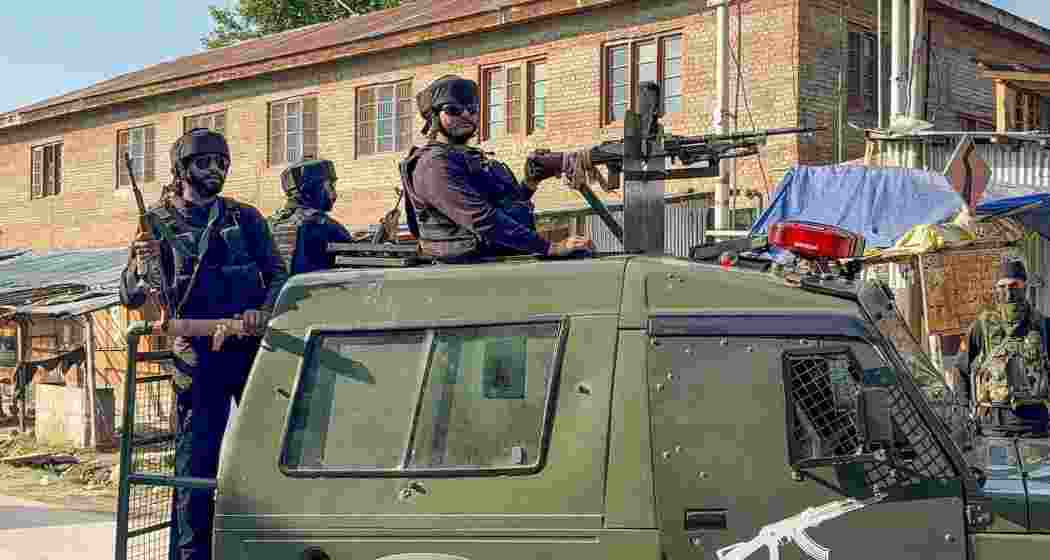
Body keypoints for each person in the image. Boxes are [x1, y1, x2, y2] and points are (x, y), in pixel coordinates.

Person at [119, 127, 288, 560]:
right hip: (196, 358)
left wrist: (262, 311)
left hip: (249, 350)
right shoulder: (156, 224)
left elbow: (279, 276)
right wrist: (140, 266)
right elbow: (132, 296)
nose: (215, 170)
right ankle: (192, 554)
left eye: (222, 163)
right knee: (197, 464)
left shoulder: (244, 218)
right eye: (204, 162)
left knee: (265, 452)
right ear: (182, 169)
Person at [399, 74, 593, 262]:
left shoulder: (472, 158)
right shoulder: (433, 164)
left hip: (494, 259)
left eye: (472, 109)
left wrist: (530, 183)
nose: (466, 114)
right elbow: (480, 218)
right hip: (466, 267)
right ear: (433, 117)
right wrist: (550, 247)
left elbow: (504, 208)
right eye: (453, 109)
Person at [956, 258, 1050, 436]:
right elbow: (960, 367)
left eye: (1014, 285)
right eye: (1002, 286)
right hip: (994, 422)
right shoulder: (982, 325)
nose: (1008, 292)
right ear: (996, 289)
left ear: (1025, 286)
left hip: (1035, 423)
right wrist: (962, 407)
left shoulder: (1043, 325)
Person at [268, 157, 354, 275]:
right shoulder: (323, 226)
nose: (334, 194)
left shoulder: (269, 224)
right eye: (330, 186)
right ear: (314, 188)